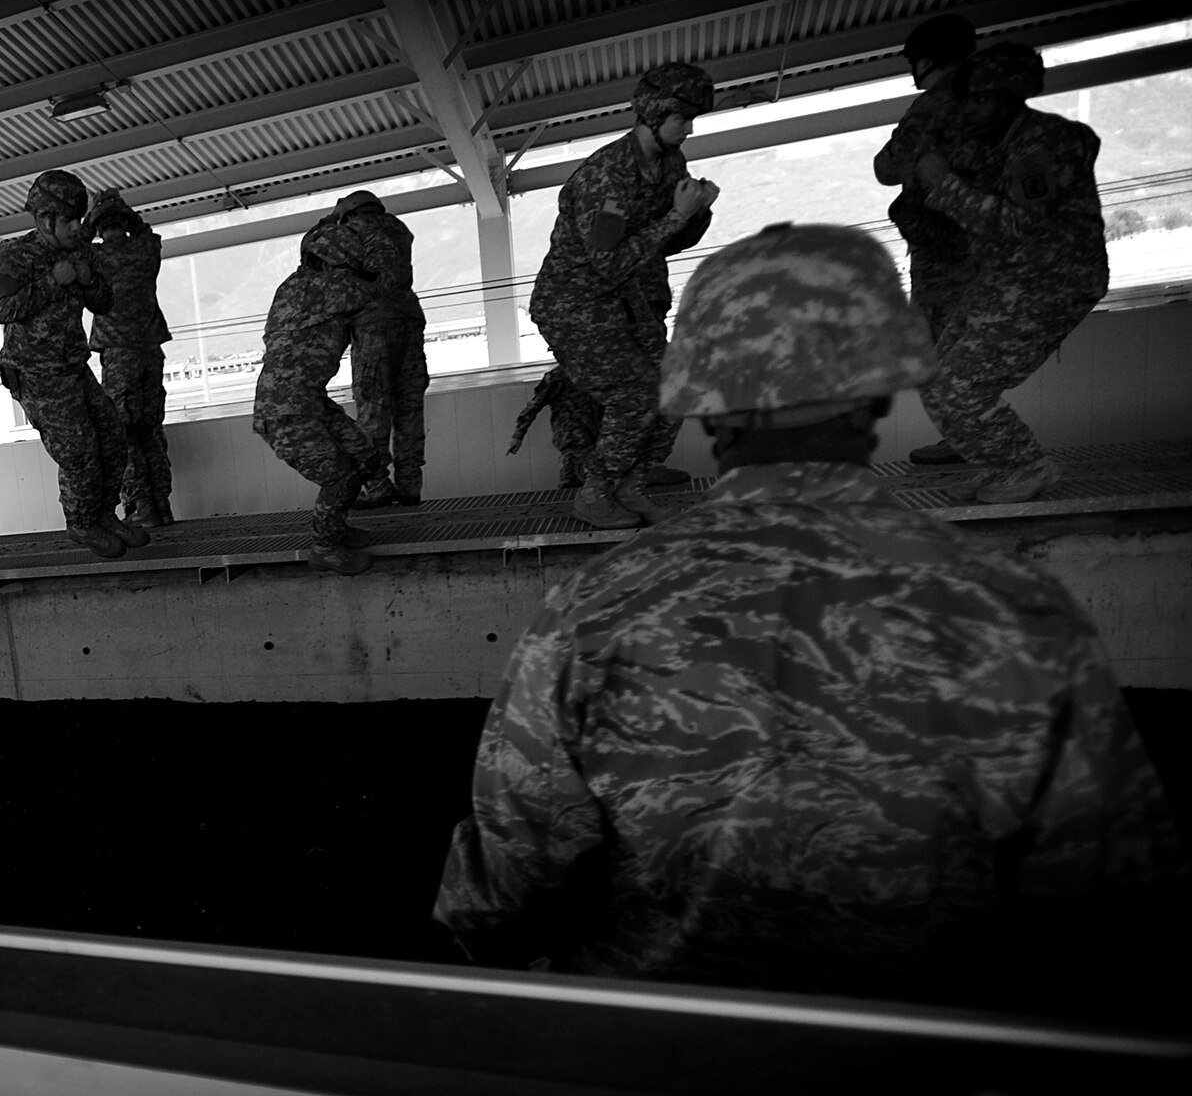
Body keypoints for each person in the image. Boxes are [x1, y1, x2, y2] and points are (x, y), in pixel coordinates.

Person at [434, 223, 1182, 1011]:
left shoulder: (595, 609)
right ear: (881, 388)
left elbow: (499, 901)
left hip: (654, 1077)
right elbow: (1114, 915)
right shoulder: (1012, 609)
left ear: (701, 403)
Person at [916, 42, 1109, 505]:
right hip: (1006, 279)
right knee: (937, 377)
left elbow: (1018, 226)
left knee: (962, 385)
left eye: (980, 99)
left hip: (1050, 280)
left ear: (1009, 96)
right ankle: (1002, 465)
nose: (972, 109)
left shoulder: (1045, 142)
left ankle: (1025, 466)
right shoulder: (997, 146)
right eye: (969, 100)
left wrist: (944, 183)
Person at [529, 62, 720, 529]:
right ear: (653, 112)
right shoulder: (605, 177)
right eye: (682, 118)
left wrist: (696, 212)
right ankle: (595, 494)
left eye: (693, 119)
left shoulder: (670, 162)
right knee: (635, 394)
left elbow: (668, 242)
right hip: (577, 302)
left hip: (627, 298)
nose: (688, 130)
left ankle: (631, 487)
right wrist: (677, 216)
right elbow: (609, 261)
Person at [0, 169, 147, 559]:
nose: (78, 227)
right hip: (36, 374)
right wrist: (53, 283)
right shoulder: (16, 255)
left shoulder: (81, 252)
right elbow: (3, 309)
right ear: (44, 220)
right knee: (78, 451)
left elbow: (105, 302)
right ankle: (80, 523)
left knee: (111, 437)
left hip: (74, 366)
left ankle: (103, 515)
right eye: (69, 221)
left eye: (79, 219)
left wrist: (88, 281)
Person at [873, 13, 981, 466]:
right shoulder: (987, 102)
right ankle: (970, 438)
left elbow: (888, 168)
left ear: (929, 60)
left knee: (938, 350)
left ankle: (968, 440)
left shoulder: (935, 105)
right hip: (982, 243)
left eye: (914, 61)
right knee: (966, 349)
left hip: (943, 249)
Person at [252, 220, 387, 576]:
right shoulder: (315, 288)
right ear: (332, 262)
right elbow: (370, 291)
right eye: (347, 265)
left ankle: (336, 527)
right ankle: (324, 547)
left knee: (364, 457)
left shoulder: (305, 285)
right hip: (284, 409)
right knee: (339, 477)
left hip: (308, 398)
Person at [330, 190, 430, 510]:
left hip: (373, 326)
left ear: (350, 212)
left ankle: (376, 486)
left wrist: (332, 218)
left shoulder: (351, 230)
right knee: (409, 409)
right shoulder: (399, 229)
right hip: (410, 324)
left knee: (373, 410)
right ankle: (410, 485)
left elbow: (315, 245)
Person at [85, 188, 175, 528]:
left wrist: (92, 217)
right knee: (151, 429)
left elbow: (75, 246)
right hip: (151, 352)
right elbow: (146, 232)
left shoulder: (95, 258)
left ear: (97, 226)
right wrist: (119, 207)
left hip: (119, 358)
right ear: (124, 220)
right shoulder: (146, 250)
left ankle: (141, 506)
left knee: (123, 433)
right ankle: (162, 505)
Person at [506, 367, 691, 490]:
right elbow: (532, 407)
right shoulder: (557, 377)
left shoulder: (596, 374)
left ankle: (640, 476)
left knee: (594, 476)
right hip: (573, 439)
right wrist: (517, 436)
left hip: (596, 435)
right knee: (577, 479)